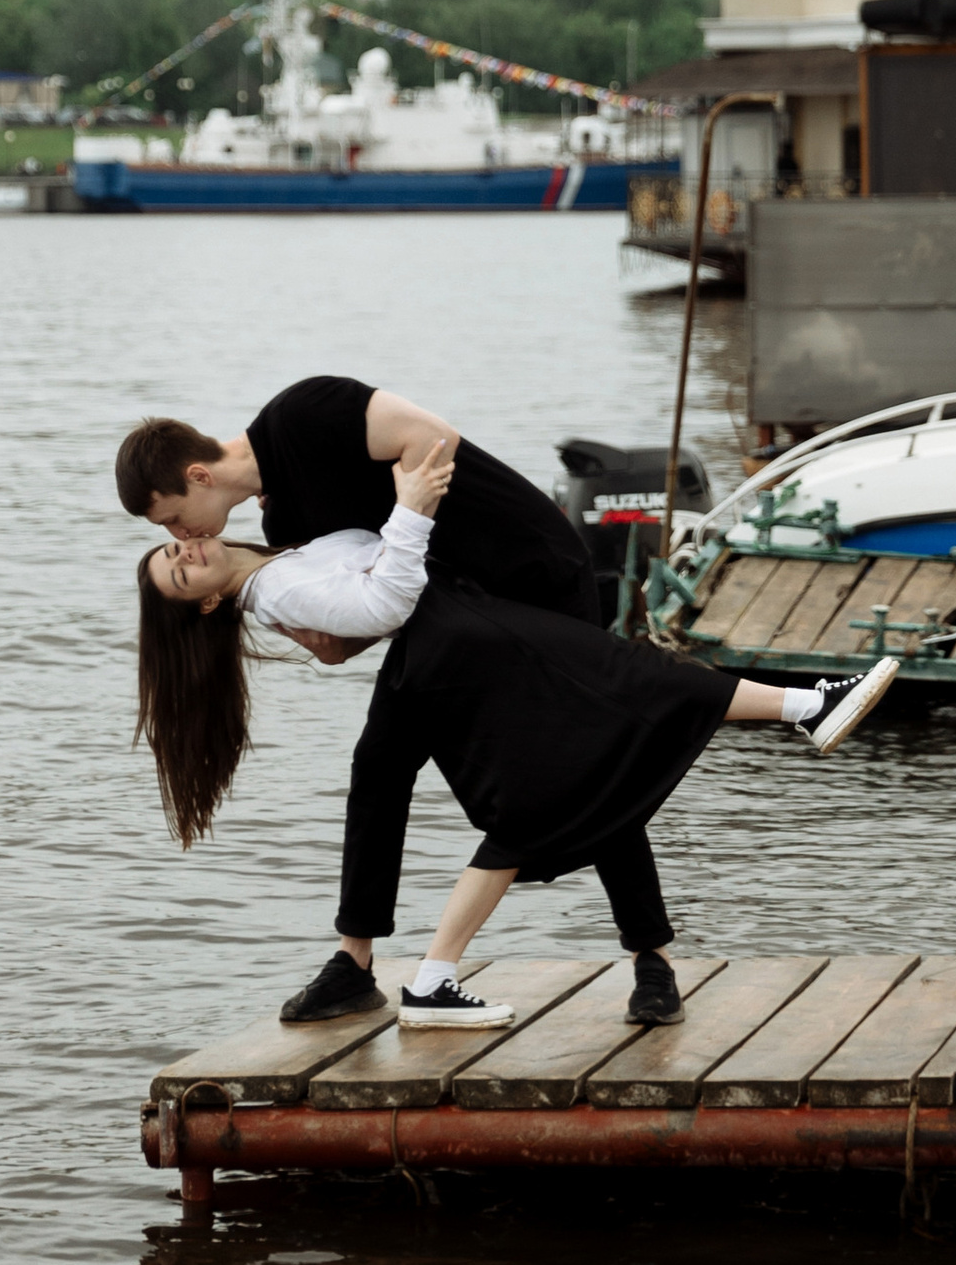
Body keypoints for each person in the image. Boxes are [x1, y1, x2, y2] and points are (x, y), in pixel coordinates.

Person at [133, 434, 893, 1025]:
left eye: (174, 538)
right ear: (201, 606)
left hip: (448, 641)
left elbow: (352, 621)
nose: (184, 544)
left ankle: (425, 969)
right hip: (457, 642)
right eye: (178, 562)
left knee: (575, 765)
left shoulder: (279, 546)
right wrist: (413, 504)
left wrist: (335, 626)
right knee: (616, 705)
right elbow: (384, 601)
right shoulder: (273, 581)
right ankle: (806, 708)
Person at [117, 376, 676, 1030]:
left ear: (196, 475)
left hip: (531, 575)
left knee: (588, 762)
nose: (179, 533)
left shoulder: (308, 413)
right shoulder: (283, 522)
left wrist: (409, 513)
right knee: (379, 763)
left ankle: (651, 960)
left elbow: (432, 438)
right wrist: (334, 647)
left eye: (171, 517)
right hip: (449, 618)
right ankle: (354, 963)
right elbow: (371, 597)